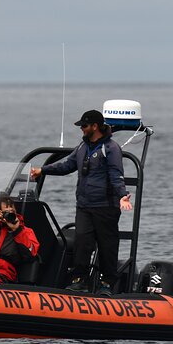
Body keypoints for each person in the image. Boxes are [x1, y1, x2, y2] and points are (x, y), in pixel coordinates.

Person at [30, 109, 132, 296]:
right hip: (84, 205)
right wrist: (42, 170)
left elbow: (116, 174)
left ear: (95, 126)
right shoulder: (82, 147)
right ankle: (79, 280)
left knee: (107, 245)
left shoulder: (111, 148)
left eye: (84, 126)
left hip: (105, 207)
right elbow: (66, 165)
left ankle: (107, 283)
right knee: (83, 242)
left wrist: (122, 195)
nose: (82, 129)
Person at [0, 193, 40, 284]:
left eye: (12, 211)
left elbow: (30, 254)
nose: (9, 215)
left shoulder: (25, 231)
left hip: (5, 273)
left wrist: (17, 230)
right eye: (5, 212)